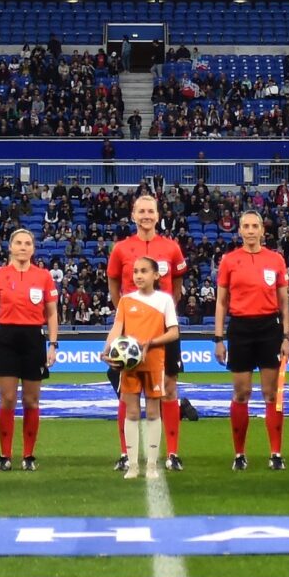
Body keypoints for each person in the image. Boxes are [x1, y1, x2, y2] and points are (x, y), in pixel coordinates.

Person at [105, 190, 188, 469]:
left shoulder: (171, 247)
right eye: (141, 211)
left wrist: (165, 310)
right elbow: (114, 284)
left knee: (169, 388)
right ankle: (126, 454)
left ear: (158, 215)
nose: (146, 216)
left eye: (150, 211)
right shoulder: (121, 249)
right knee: (128, 392)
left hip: (162, 329)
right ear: (133, 215)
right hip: (131, 331)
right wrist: (126, 314)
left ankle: (172, 453)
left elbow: (177, 282)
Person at [212, 211, 289, 472]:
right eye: (245, 226)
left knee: (271, 394)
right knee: (241, 393)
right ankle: (239, 454)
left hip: (269, 328)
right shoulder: (229, 261)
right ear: (239, 231)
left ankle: (276, 453)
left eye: (254, 226)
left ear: (262, 230)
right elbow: (221, 302)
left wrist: (286, 337)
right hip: (240, 329)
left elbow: (283, 302)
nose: (250, 230)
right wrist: (218, 338)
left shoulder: (275, 260)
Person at [0, 227, 59, 471]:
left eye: (28, 243)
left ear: (33, 248)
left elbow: (51, 312)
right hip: (5, 337)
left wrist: (53, 344)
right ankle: (5, 456)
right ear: (10, 247)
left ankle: (28, 456)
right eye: (19, 243)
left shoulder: (44, 276)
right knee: (7, 399)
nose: (23, 247)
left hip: (33, 339)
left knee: (31, 400)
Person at [106, 255, 179, 478]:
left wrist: (151, 343)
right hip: (130, 365)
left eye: (144, 271)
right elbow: (117, 328)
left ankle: (151, 464)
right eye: (136, 271)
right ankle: (133, 464)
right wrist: (107, 349)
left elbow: (174, 331)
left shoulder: (164, 300)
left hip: (154, 362)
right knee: (132, 411)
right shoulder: (126, 300)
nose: (138, 275)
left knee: (154, 411)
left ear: (156, 275)